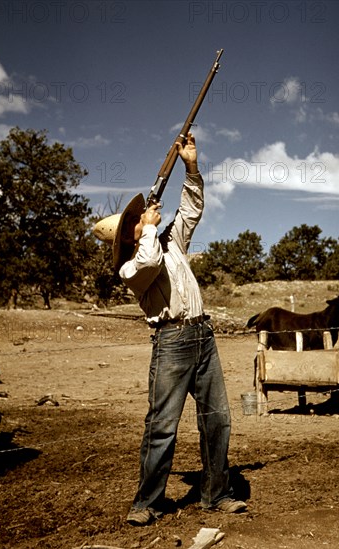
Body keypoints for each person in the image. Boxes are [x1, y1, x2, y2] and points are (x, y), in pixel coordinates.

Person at [93, 132, 247, 526]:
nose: (139, 223)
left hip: (203, 335)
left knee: (218, 419)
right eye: (132, 224)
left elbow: (191, 210)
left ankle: (216, 494)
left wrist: (191, 165)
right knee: (162, 425)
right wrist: (147, 229)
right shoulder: (131, 267)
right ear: (126, 239)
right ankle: (147, 503)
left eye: (137, 219)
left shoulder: (168, 241)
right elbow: (147, 264)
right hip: (172, 341)